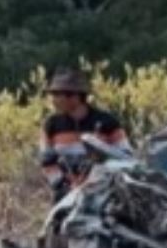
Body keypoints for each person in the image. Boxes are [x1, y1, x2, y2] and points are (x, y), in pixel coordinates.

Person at [38, 69, 130, 199]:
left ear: (75, 96)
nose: (53, 100)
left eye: (57, 94)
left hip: (104, 195)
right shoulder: (51, 125)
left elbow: (125, 156)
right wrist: (63, 186)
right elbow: (46, 162)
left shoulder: (108, 122)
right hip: (66, 196)